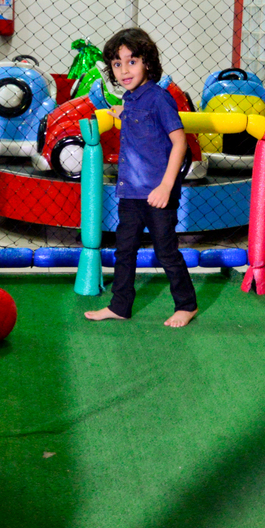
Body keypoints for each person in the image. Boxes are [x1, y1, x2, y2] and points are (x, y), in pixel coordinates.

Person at [84, 28, 198, 327]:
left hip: (158, 192)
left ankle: (186, 305)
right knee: (124, 250)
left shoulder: (160, 98)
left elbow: (179, 143)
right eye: (117, 64)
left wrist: (166, 186)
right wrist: (122, 112)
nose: (124, 70)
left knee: (166, 251)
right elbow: (140, 124)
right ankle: (120, 306)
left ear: (147, 62)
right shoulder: (131, 98)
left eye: (131, 62)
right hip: (131, 191)